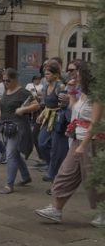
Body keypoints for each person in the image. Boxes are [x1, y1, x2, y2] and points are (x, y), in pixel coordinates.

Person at [35, 61, 105, 227]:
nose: (75, 75)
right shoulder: (84, 93)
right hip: (78, 140)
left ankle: (103, 213)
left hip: (93, 141)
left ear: (87, 76)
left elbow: (95, 123)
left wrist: (83, 145)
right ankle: (56, 210)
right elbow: (74, 109)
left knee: (93, 179)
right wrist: (72, 91)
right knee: (65, 173)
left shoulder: (98, 96)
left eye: (78, 72)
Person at [0, 69, 40, 194]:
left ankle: (9, 185)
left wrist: (23, 110)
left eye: (8, 80)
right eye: (3, 80)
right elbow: (2, 105)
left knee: (10, 153)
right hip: (5, 126)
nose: (5, 83)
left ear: (15, 79)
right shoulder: (7, 91)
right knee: (15, 154)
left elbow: (36, 105)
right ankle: (26, 177)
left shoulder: (23, 92)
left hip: (18, 127)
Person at [36, 62, 67, 183]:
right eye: (45, 74)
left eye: (48, 74)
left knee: (55, 147)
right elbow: (46, 104)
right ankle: (52, 166)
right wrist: (42, 114)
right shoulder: (45, 86)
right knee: (41, 143)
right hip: (48, 117)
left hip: (58, 119)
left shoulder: (60, 86)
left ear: (56, 75)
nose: (45, 76)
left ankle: (53, 174)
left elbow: (63, 105)